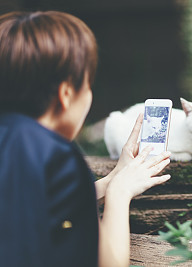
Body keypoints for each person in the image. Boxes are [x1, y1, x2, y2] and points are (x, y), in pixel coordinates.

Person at [0, 10, 171, 267]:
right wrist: (120, 192)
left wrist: (111, 180)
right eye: (88, 84)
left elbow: (30, 202)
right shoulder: (55, 155)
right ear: (67, 93)